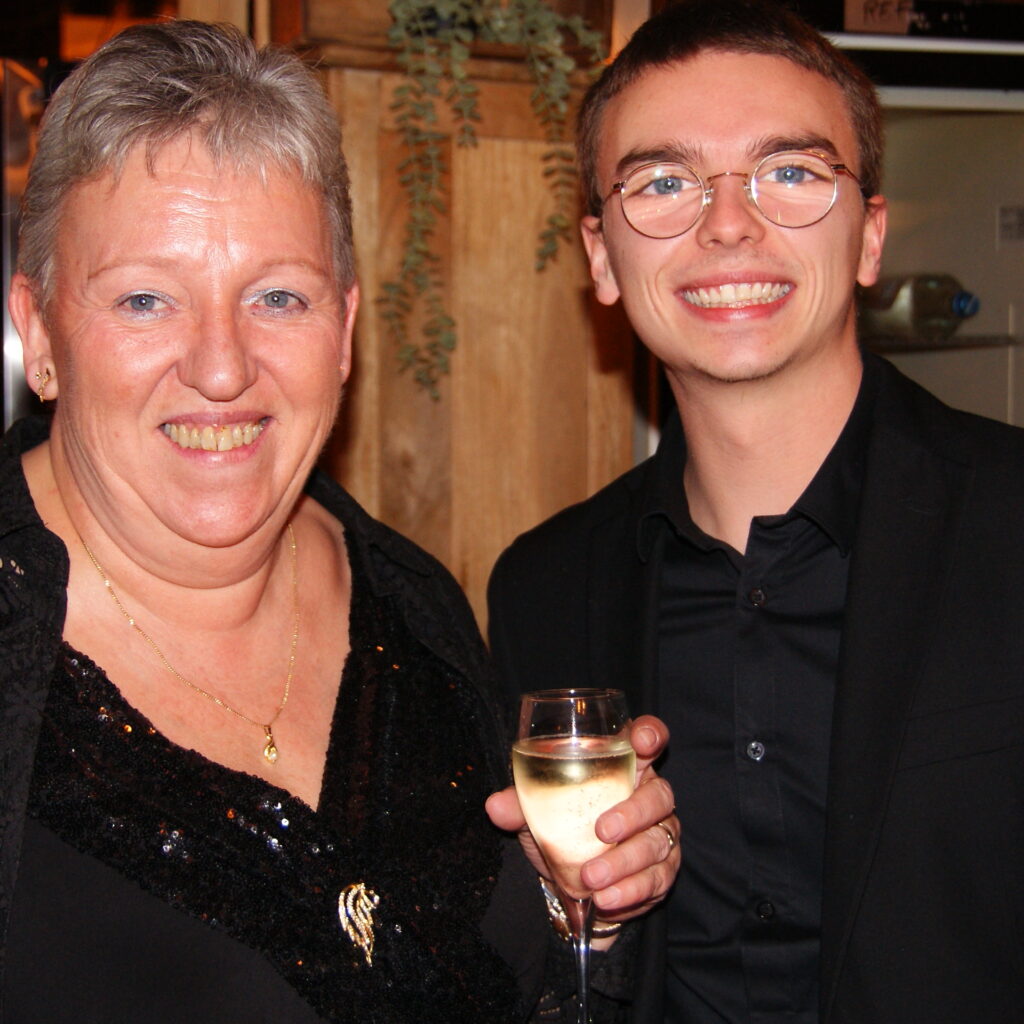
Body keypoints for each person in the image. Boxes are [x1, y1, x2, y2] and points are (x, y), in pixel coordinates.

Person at [0, 20, 679, 1022]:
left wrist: (578, 905)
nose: (222, 368)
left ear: (347, 331)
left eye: (279, 297)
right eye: (145, 300)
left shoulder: (413, 604)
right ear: (39, 330)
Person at [487, 1, 1024, 1022]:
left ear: (870, 236)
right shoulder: (541, 588)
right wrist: (575, 915)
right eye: (663, 182)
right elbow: (531, 967)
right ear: (601, 258)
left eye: (789, 172)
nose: (728, 223)